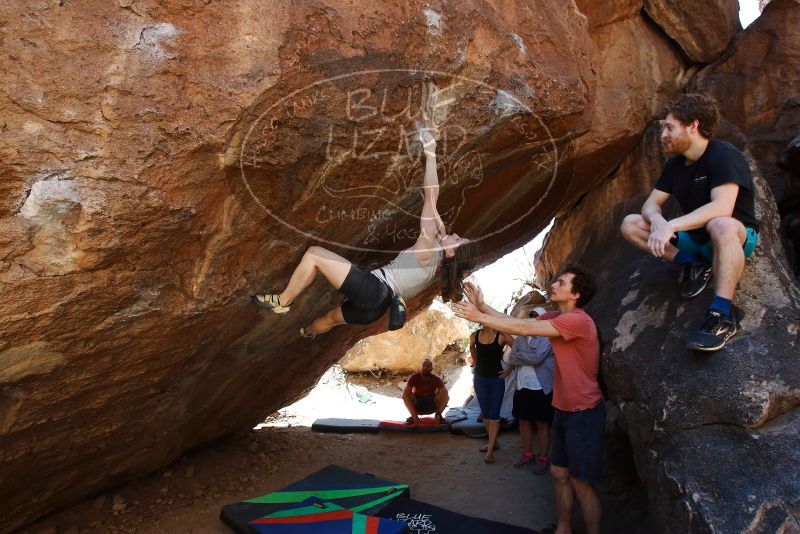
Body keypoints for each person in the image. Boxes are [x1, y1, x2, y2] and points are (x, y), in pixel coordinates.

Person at [251, 129, 478, 337]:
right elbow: (437, 219)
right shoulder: (439, 265)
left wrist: (431, 154)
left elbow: (431, 196)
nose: (455, 235)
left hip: (373, 289)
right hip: (375, 310)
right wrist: (437, 218)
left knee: (314, 254)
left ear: (450, 252)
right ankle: (306, 333)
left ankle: (283, 301)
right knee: (330, 319)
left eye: (457, 240)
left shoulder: (429, 248)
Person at [453, 266, 603, 534]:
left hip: (584, 411)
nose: (554, 284)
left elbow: (520, 326)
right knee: (559, 473)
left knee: (581, 482)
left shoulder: (578, 320)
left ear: (576, 294)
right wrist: (482, 305)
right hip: (564, 409)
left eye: (561, 282)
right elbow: (518, 323)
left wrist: (478, 316)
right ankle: (564, 528)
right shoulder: (560, 316)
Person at [620, 93, 759, 351]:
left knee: (721, 224)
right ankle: (692, 265)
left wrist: (671, 226)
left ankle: (721, 315)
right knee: (631, 223)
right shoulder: (675, 166)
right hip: (694, 242)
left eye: (669, 128)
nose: (663, 136)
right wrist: (659, 221)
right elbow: (650, 205)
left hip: (732, 238)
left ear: (693, 125)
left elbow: (723, 207)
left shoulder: (724, 155)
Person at [502, 306, 555, 475]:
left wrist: (522, 357)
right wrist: (526, 358)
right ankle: (528, 453)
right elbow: (512, 358)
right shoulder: (520, 338)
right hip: (522, 386)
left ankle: (544, 458)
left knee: (542, 423)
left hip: (540, 387)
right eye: (531, 316)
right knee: (523, 421)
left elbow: (537, 359)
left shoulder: (548, 338)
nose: (533, 318)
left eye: (536, 316)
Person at [469, 322, 513, 464]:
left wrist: (509, 369)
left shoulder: (501, 336)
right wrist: (476, 362)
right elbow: (471, 347)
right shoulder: (474, 335)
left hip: (496, 380)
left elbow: (518, 349)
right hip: (480, 379)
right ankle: (494, 442)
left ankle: (489, 452)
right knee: (485, 413)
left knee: (494, 414)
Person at [402, 358, 449, 425]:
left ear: (431, 368)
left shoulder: (436, 379)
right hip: (417, 405)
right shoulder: (414, 377)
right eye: (424, 365)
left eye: (428, 366)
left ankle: (439, 416)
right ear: (420, 367)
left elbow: (446, 396)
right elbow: (405, 395)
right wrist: (415, 415)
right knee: (408, 395)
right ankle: (413, 416)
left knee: (443, 394)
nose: (426, 367)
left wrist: (438, 415)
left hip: (432, 405)